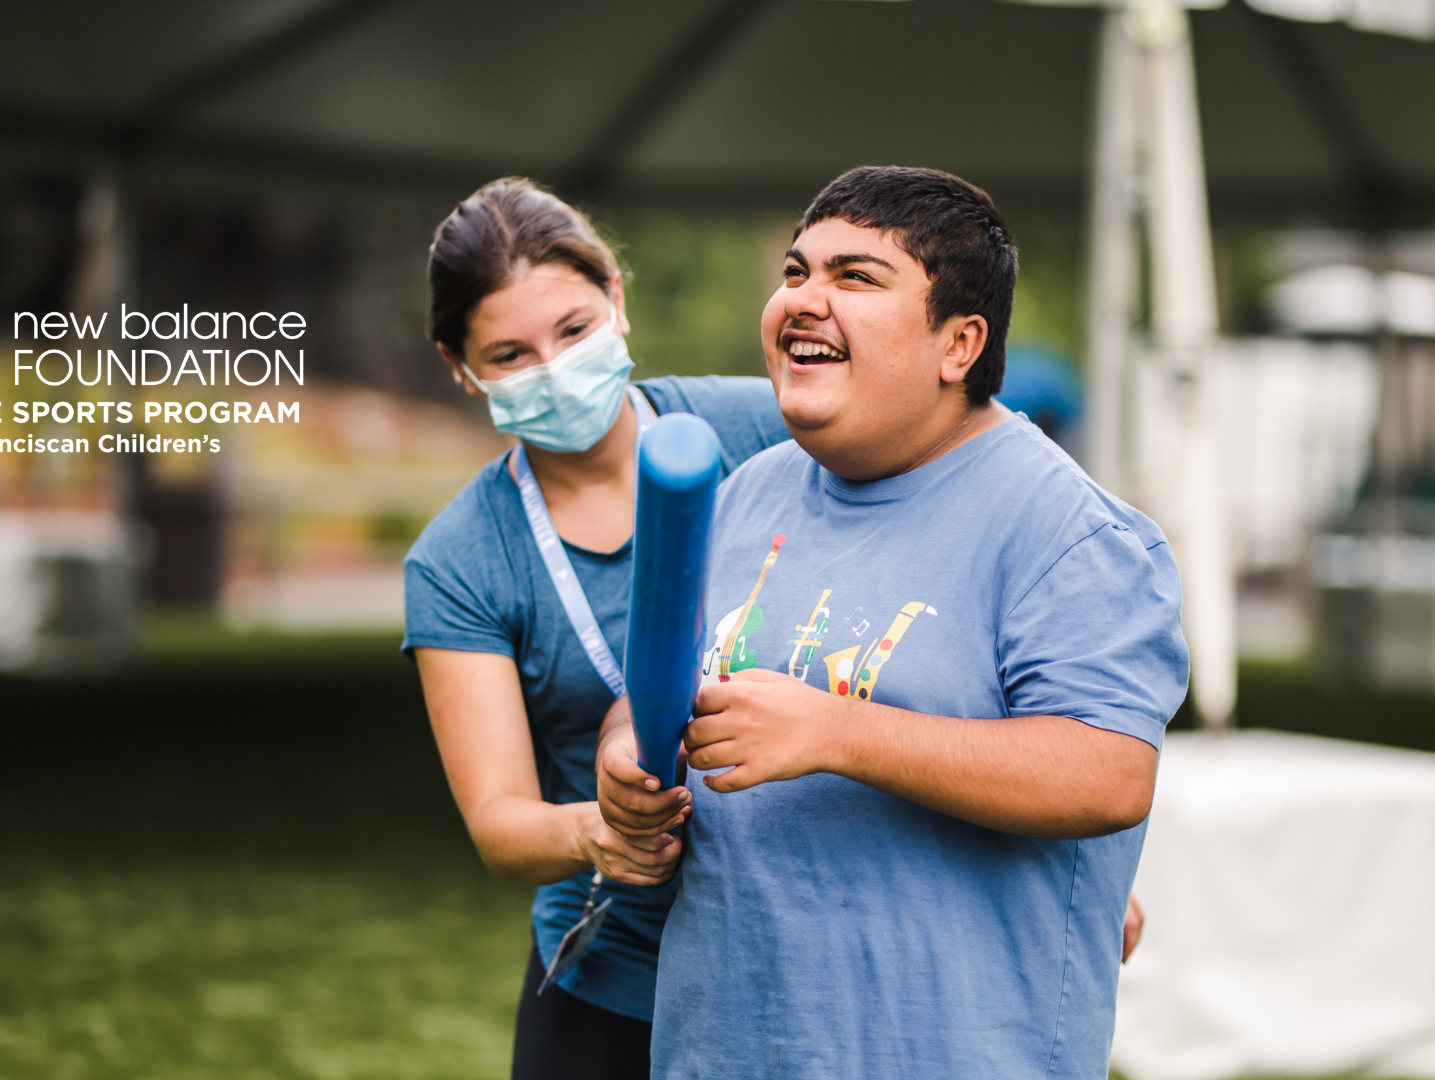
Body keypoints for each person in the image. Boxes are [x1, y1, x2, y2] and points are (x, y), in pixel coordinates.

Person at [597, 167, 1189, 1078]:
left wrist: (837, 732)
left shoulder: (1070, 532)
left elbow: (1108, 773)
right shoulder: (743, 498)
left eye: (856, 278)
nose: (805, 300)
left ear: (960, 343)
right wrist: (626, 752)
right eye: (796, 273)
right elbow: (661, 681)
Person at [401, 177, 792, 1080]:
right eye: (508, 354)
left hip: (806, 942)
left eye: (573, 331)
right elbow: (501, 823)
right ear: (460, 367)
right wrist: (600, 832)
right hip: (613, 973)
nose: (553, 369)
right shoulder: (459, 561)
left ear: (615, 298)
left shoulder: (765, 426)